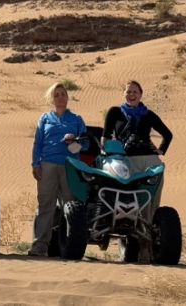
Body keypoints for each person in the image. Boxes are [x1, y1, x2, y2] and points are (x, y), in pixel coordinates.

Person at [29, 82, 89, 256]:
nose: (61, 97)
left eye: (63, 94)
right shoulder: (45, 119)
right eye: (57, 95)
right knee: (46, 205)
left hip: (71, 166)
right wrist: (35, 164)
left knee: (71, 206)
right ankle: (40, 246)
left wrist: (74, 140)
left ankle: (70, 246)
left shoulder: (76, 119)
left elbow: (86, 143)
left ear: (68, 97)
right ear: (51, 99)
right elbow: (38, 143)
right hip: (48, 165)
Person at [102, 80, 173, 211]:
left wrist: (160, 150)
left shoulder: (148, 115)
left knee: (151, 197)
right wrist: (106, 152)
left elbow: (168, 135)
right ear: (124, 93)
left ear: (140, 95)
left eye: (135, 92)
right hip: (125, 161)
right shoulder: (114, 112)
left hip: (150, 162)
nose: (131, 94)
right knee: (128, 197)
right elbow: (105, 136)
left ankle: (150, 227)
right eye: (128, 91)